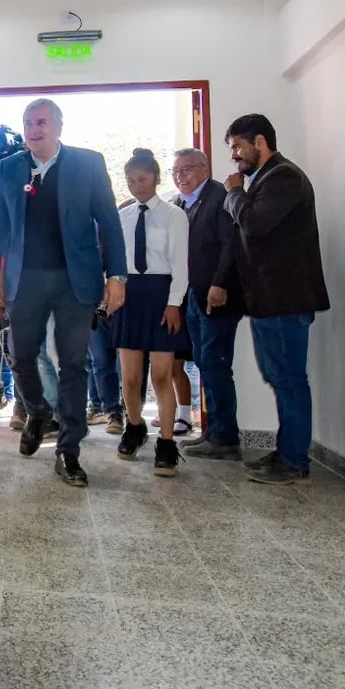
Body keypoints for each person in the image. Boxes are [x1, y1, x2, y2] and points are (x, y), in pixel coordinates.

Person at [0, 98, 128, 487]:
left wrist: (117, 276)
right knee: (21, 356)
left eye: (42, 122)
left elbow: (110, 223)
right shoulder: (10, 168)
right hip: (23, 281)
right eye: (28, 123)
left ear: (59, 126)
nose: (34, 129)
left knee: (74, 365)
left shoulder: (88, 164)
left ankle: (68, 451)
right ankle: (38, 411)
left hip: (73, 281)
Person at [222, 114, 329, 484]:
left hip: (285, 298)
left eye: (238, 146)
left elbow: (254, 224)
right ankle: (287, 452)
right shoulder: (267, 179)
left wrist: (234, 192)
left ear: (260, 142)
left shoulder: (283, 177)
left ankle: (294, 460)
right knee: (279, 377)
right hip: (270, 300)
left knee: (288, 379)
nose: (234, 156)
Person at [111, 149, 191, 476]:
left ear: (155, 178)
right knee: (129, 377)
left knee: (161, 374)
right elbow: (116, 262)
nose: (136, 186)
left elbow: (181, 266)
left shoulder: (174, 215)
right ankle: (134, 426)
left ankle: (167, 442)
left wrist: (174, 303)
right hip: (130, 297)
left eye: (142, 179)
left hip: (162, 296)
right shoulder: (123, 216)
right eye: (130, 180)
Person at [168, 148, 247, 460]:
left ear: (204, 168)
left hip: (216, 295)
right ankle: (213, 432)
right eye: (176, 172)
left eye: (186, 170)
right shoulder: (181, 205)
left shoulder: (218, 196)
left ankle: (225, 437)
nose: (180, 177)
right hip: (193, 297)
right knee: (204, 362)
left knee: (215, 365)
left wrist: (220, 283)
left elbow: (231, 243)